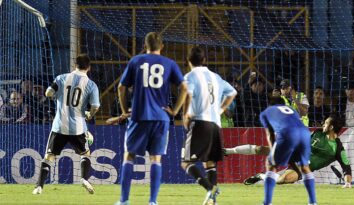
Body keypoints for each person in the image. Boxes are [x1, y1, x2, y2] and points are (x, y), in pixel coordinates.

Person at [115, 32, 188, 205]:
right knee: (156, 159)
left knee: (129, 156)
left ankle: (124, 200)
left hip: (139, 116)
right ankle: (153, 201)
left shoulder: (136, 61)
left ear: (145, 45)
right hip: (161, 118)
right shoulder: (169, 63)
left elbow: (121, 88)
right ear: (161, 46)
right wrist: (175, 111)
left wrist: (125, 110)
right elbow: (184, 88)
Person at [32, 54, 100, 195]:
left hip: (59, 125)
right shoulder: (91, 85)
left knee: (49, 156)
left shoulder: (61, 78)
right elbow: (95, 106)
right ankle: (84, 178)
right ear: (89, 67)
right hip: (79, 128)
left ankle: (39, 187)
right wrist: (89, 114)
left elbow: (48, 92)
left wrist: (56, 97)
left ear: (75, 65)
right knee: (85, 153)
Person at [225, 115, 352, 188]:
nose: (323, 125)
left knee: (282, 180)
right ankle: (227, 151)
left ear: (332, 127)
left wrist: (347, 182)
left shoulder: (338, 148)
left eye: (326, 123)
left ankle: (260, 176)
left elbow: (346, 167)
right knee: (261, 149)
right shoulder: (318, 133)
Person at [180, 46, 237, 205]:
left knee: (186, 162)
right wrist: (220, 109)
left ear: (188, 61)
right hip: (215, 125)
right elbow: (232, 92)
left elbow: (188, 94)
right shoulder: (216, 77)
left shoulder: (190, 76)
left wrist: (186, 115)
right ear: (204, 60)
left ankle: (209, 188)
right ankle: (213, 201)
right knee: (210, 164)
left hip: (200, 123)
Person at [257, 96, 316, 205]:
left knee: (270, 164)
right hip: (305, 133)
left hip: (287, 133)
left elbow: (270, 135)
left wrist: (273, 152)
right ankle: (312, 202)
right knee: (305, 167)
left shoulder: (266, 112)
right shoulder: (291, 110)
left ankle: (267, 202)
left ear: (270, 104)